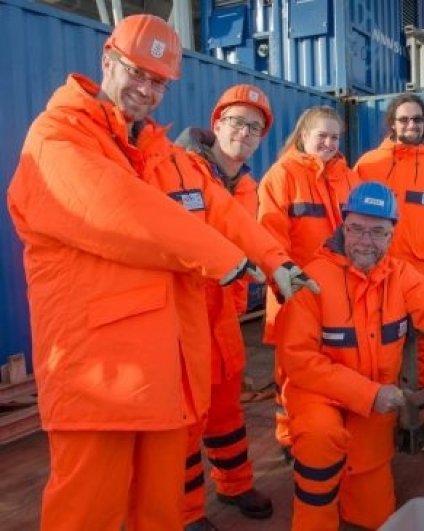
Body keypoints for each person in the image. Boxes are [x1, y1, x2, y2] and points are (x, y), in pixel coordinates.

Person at [6, 15, 316, 531]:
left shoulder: (167, 157)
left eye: (158, 81)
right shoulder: (56, 138)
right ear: (108, 61)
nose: (146, 89)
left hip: (168, 370)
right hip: (99, 376)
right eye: (137, 72)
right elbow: (119, 210)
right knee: (87, 512)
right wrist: (224, 259)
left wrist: (275, 261)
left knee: (161, 510)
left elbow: (224, 210)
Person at [276, 181, 424, 531]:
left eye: (377, 232)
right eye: (356, 229)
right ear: (342, 225)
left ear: (392, 234)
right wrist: (371, 394)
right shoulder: (311, 280)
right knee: (320, 441)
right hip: (320, 398)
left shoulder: (400, 276)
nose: (365, 240)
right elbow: (299, 360)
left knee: (374, 516)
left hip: (373, 408)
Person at [174, 84, 275, 530]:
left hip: (224, 318)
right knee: (185, 422)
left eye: (255, 127)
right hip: (182, 318)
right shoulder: (178, 170)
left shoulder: (248, 186)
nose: (246, 132)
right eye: (237, 122)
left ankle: (234, 485)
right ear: (216, 124)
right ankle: (188, 513)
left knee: (226, 412)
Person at [256, 105, 360, 455]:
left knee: (334, 360)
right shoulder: (281, 176)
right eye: (322, 136)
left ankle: (328, 422)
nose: (329, 143)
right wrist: (289, 284)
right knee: (291, 369)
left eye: (335, 137)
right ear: (304, 136)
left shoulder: (349, 178)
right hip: (296, 290)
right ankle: (289, 436)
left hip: (340, 291)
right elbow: (270, 238)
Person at [354, 94, 424, 388]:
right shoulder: (368, 165)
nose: (411, 125)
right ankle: (385, 407)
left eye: (417, 119)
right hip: (378, 274)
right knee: (382, 342)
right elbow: (350, 221)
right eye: (404, 119)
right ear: (392, 123)